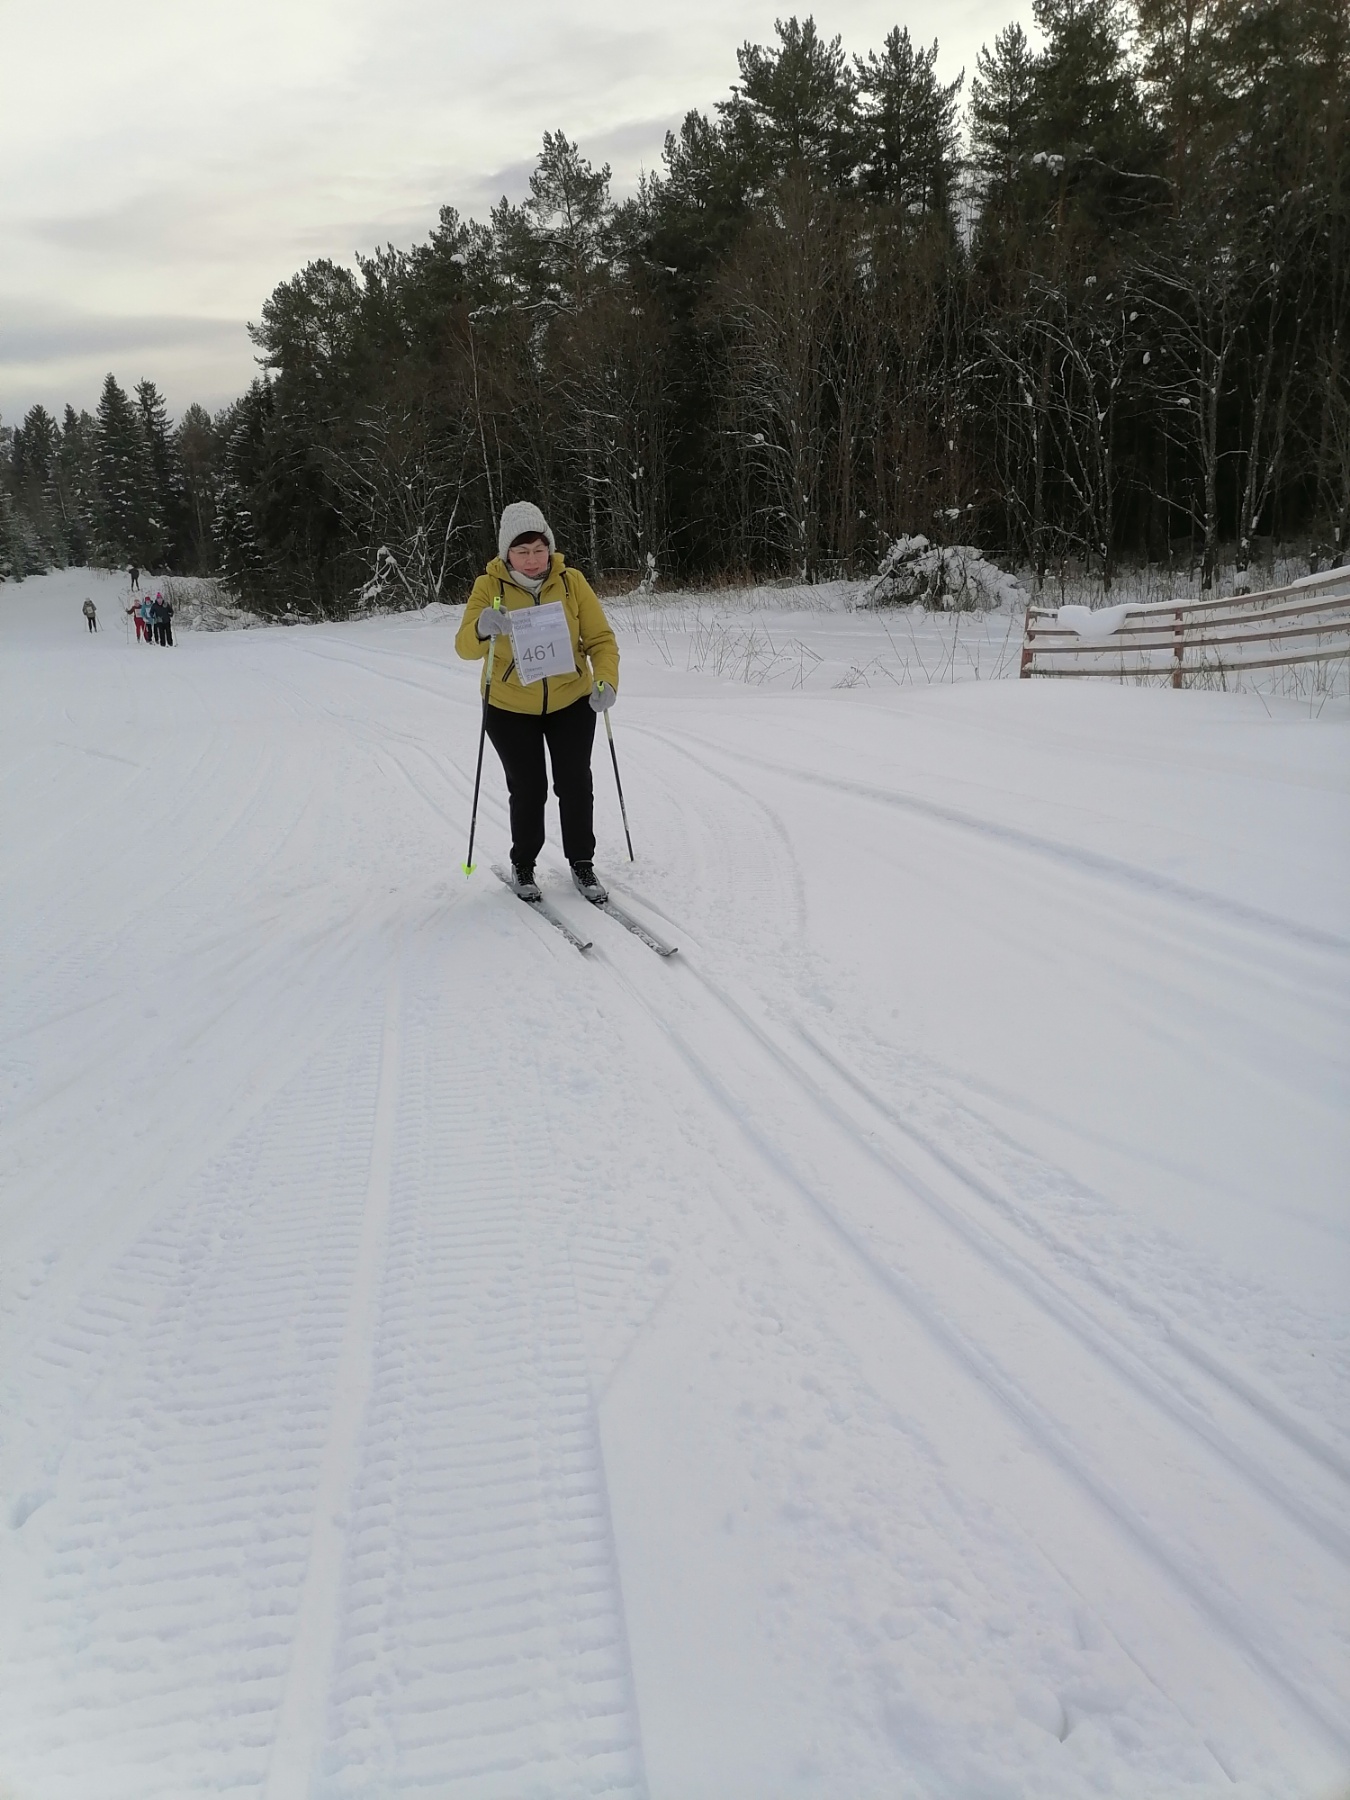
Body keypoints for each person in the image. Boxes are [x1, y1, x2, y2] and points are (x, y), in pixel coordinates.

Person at [456, 501, 619, 902]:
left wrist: (606, 679)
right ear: (506, 553)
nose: (532, 560)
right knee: (529, 788)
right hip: (509, 707)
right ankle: (524, 863)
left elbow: (600, 639)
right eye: (522, 551)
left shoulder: (571, 582)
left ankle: (582, 861)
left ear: (550, 548)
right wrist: (481, 627)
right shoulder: (488, 587)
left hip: (571, 700)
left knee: (575, 783)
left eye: (539, 549)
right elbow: (464, 648)